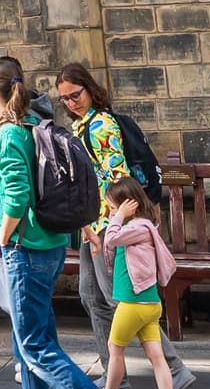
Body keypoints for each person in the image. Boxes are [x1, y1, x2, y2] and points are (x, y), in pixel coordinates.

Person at [0, 69, 131, 389]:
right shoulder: (38, 123)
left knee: (32, 343)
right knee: (29, 336)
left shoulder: (10, 132)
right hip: (49, 246)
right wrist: (84, 225)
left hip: (25, 247)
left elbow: (16, 194)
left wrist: (4, 236)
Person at [54, 63, 155, 337]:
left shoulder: (100, 125)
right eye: (64, 98)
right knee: (91, 296)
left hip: (105, 222)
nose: (71, 102)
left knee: (116, 299)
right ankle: (115, 376)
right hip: (91, 221)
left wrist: (115, 223)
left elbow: (117, 177)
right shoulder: (81, 125)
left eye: (75, 95)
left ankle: (170, 365)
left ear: (89, 89)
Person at [89, 173, 183, 389]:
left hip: (133, 303)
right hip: (148, 304)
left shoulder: (138, 227)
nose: (109, 213)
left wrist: (118, 217)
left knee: (115, 350)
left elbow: (111, 237)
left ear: (129, 205)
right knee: (155, 355)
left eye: (112, 207)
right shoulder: (138, 226)